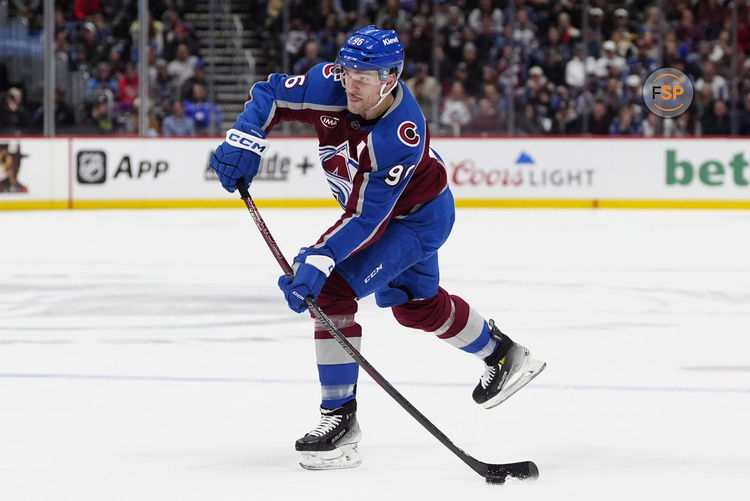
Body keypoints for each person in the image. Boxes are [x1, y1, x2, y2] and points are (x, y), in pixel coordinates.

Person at [209, 26, 545, 471]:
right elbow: (269, 93)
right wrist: (246, 139)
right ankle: (503, 354)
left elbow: (368, 219)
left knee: (330, 294)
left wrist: (319, 256)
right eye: (348, 71)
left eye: (364, 76)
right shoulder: (329, 85)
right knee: (415, 307)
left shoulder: (398, 134)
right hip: (402, 215)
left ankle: (339, 422)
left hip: (415, 220)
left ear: (391, 78)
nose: (351, 83)